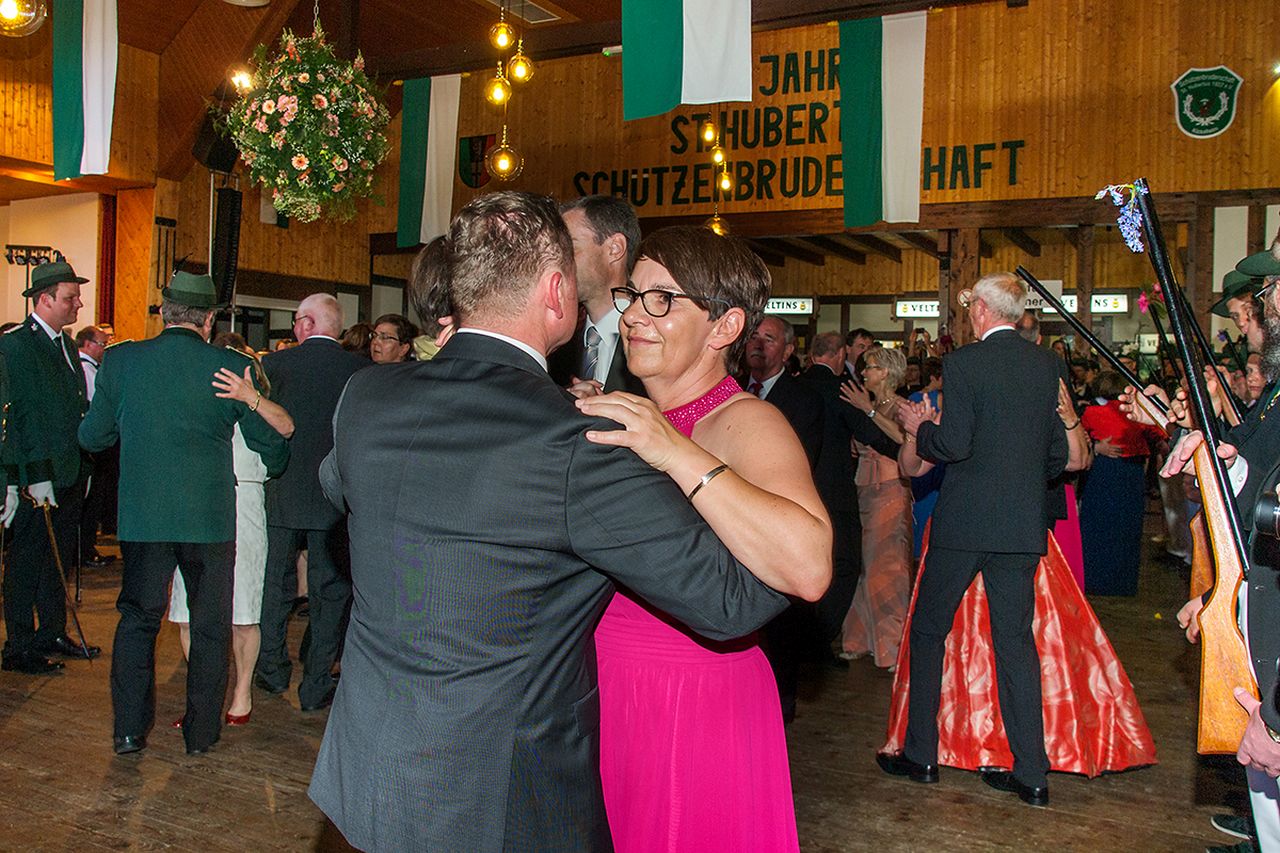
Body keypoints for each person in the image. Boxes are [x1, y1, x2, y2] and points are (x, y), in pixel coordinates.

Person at [307, 192, 789, 852]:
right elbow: (736, 601)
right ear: (557, 293)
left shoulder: (366, 394)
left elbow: (336, 486)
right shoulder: (576, 445)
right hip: (498, 800)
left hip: (368, 771)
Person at [576, 224, 830, 852]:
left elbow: (808, 567)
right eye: (632, 295)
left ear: (724, 327)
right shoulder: (633, 412)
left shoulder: (746, 420)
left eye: (662, 299)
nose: (635, 315)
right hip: (604, 685)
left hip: (692, 699)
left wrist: (675, 451)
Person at [882, 380, 1155, 783]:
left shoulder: (1033, 415)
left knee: (1014, 646)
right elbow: (912, 468)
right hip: (972, 543)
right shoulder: (961, 414)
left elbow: (1078, 460)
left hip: (1004, 545)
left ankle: (995, 751)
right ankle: (991, 753)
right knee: (998, 646)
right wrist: (915, 432)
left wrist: (1069, 418)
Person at [79, 271, 289, 756]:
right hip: (209, 521)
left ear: (164, 313)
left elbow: (93, 437)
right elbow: (272, 447)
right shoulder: (231, 366)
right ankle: (201, 733)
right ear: (210, 319)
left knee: (138, 621)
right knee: (211, 626)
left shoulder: (122, 360)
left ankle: (128, 731)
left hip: (143, 518)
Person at [880, 272, 1069, 807]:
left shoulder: (964, 362)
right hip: (1021, 526)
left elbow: (953, 445)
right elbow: (1057, 456)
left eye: (970, 309)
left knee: (928, 631)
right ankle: (1032, 775)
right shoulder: (1046, 364)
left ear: (982, 310)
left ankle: (921, 755)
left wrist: (919, 427)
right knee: (1016, 644)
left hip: (964, 523)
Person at [166, 332, 294, 728]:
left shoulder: (257, 409)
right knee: (187, 612)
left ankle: (241, 691)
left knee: (243, 610)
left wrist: (249, 398)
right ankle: (204, 694)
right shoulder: (193, 405)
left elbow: (283, 439)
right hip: (194, 504)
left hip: (243, 501)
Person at [255, 293, 368, 712]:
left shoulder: (274, 366)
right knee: (329, 594)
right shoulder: (360, 371)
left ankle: (271, 670)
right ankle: (316, 682)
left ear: (305, 324)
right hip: (333, 497)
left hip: (282, 491)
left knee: (274, 587)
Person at [0, 261, 99, 675]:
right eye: (70, 298)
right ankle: (19, 644)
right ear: (44, 299)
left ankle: (52, 632)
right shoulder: (17, 346)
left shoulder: (66, 345)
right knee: (26, 561)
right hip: (35, 476)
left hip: (68, 471)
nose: (78, 304)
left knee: (57, 560)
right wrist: (30, 475)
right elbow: (18, 416)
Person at [839, 345, 913, 668]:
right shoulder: (870, 404)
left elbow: (903, 439)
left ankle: (893, 646)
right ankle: (859, 639)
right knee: (863, 565)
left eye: (868, 367)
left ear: (884, 372)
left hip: (890, 490)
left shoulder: (900, 406)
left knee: (887, 567)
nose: (863, 372)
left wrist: (868, 411)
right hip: (863, 489)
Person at [1078, 371, 1165, 596]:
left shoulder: (1091, 412)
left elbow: (1079, 437)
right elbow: (1159, 431)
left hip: (1103, 473)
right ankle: (1122, 582)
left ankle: (1094, 580)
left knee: (1097, 528)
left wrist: (1096, 445)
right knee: (1127, 530)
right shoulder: (1133, 412)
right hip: (1131, 474)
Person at [550, 194, 646, 395]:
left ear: (615, 249)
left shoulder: (655, 339)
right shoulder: (555, 346)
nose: (556, 262)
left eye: (569, 248)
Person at [76, 324, 116, 568]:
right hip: (92, 446)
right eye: (102, 344)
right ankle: (84, 549)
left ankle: (85, 546)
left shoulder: (91, 368)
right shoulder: (86, 370)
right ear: (88, 344)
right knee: (90, 499)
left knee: (95, 497)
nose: (104, 349)